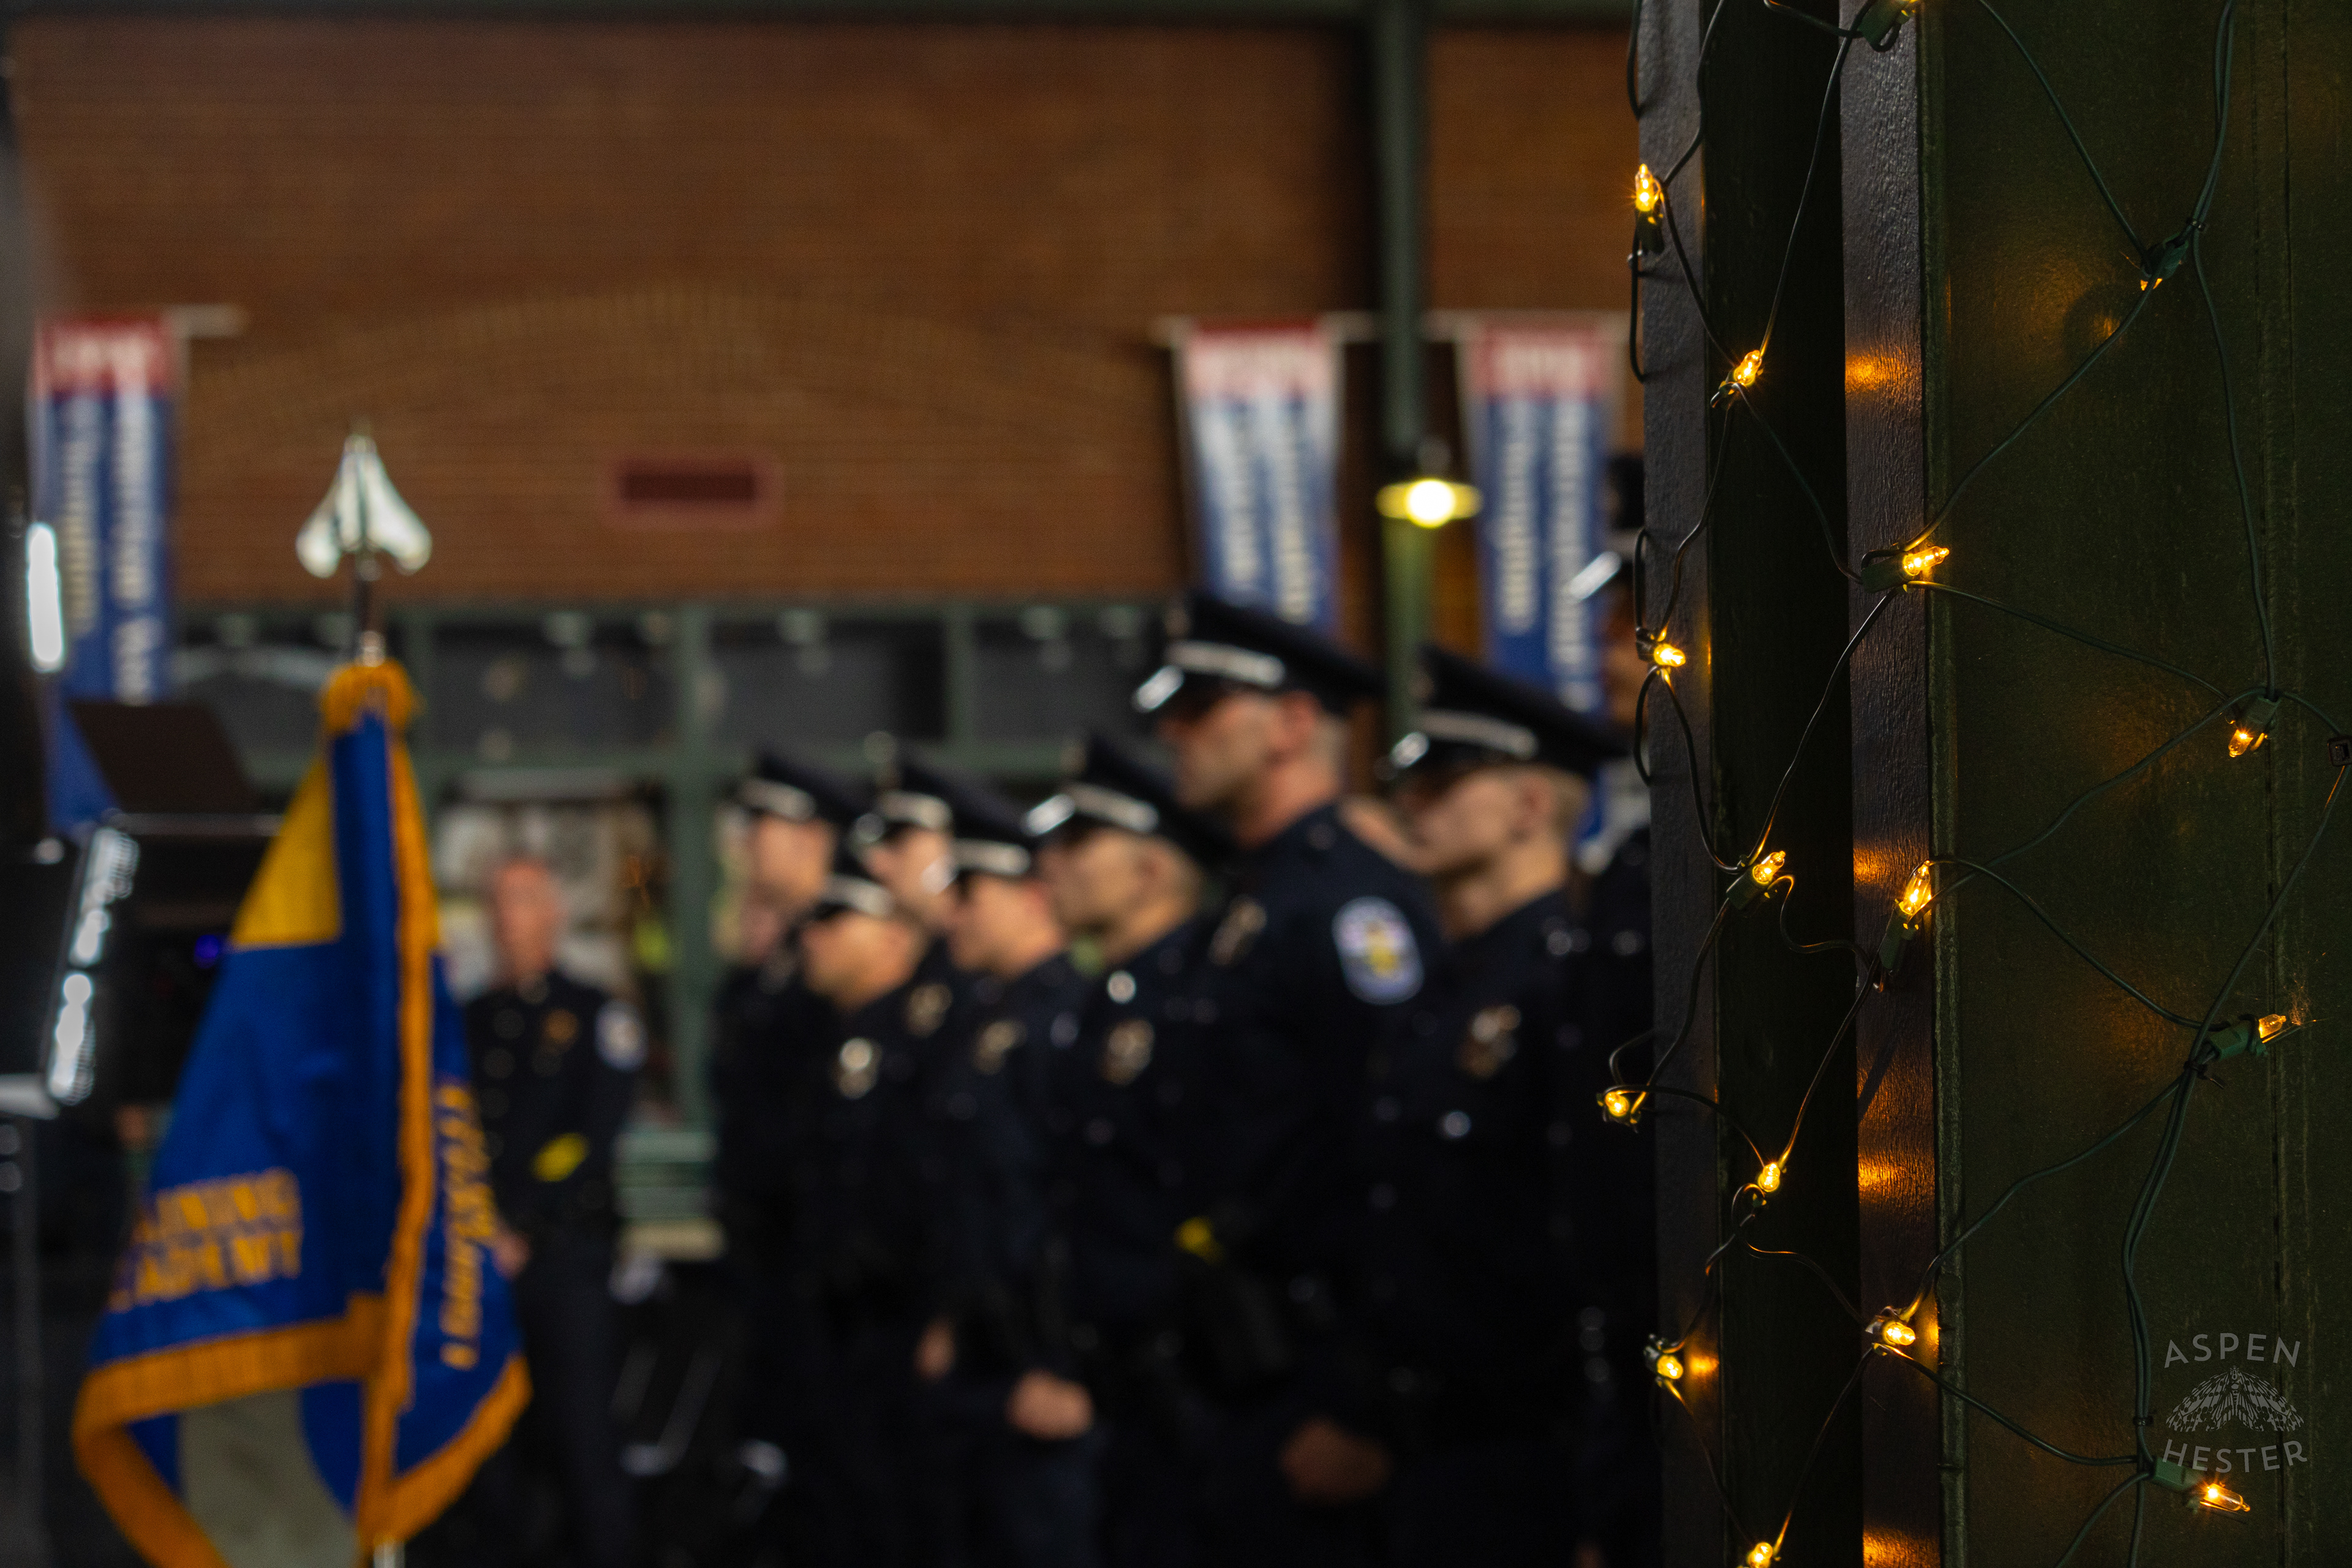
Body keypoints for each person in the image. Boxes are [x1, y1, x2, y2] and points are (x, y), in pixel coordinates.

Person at [1133, 591, 1444, 1568]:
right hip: (1233, 1365)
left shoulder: (1348, 907)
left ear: (1294, 723)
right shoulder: (1257, 897)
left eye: (1202, 706)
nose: (1171, 729)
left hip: (1319, 1380)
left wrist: (1365, 1405)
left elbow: (1396, 1156)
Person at [1370, 644, 1649, 1568]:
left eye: (1447, 778)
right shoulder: (1445, 987)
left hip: (1533, 1447)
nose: (1415, 799)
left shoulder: (1563, 980)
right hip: (1423, 1441)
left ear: (1533, 805)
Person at [1027, 733, 1233, 1568]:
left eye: (1082, 843)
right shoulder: (1096, 1006)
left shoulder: (1195, 996)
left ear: (1151, 870)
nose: (1054, 863)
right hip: (1111, 1373)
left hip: (1188, 1376)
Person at [919, 771, 1100, 1567]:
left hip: (1043, 1367)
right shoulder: (987, 1015)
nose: (956, 912)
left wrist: (1064, 1363)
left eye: (975, 890)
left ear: (1031, 893)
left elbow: (1075, 1204)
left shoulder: (1067, 1016)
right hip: (986, 1355)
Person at [709, 751, 873, 1543]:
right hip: (768, 1262)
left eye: (763, 826)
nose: (749, 845)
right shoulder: (768, 964)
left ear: (813, 835)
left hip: (826, 1269)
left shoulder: (845, 951)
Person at [463, 854, 645, 1568]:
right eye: (496, 900)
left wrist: (525, 1225)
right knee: (489, 1456)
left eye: (523, 899)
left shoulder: (595, 1014)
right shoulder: (472, 1019)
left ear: (554, 913)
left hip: (564, 1260)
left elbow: (590, 1139)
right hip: (482, 1266)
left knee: (581, 1442)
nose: (507, 917)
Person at [790, 843, 958, 1567]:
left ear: (893, 935)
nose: (814, 937)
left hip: (901, 1316)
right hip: (837, 1314)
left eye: (838, 920)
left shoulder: (924, 1037)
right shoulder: (828, 1038)